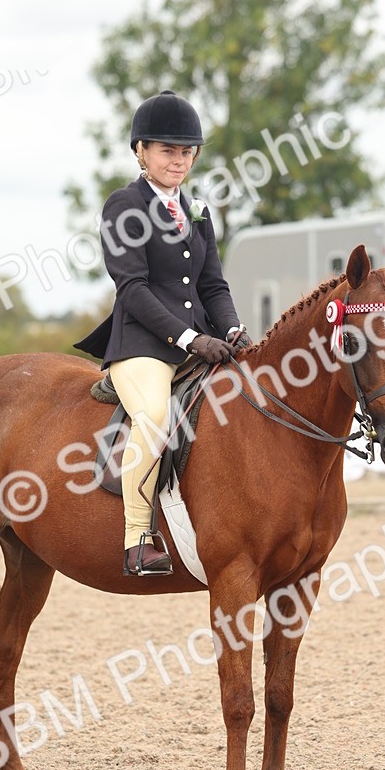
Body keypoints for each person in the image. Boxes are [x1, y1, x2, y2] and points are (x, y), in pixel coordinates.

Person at [74, 89, 252, 576]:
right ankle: (137, 538)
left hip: (203, 339)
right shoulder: (123, 206)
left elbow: (213, 283)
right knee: (153, 417)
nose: (179, 160)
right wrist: (191, 339)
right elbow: (132, 288)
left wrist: (232, 328)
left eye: (186, 152)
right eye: (168, 151)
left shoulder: (197, 210)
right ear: (141, 151)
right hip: (143, 346)